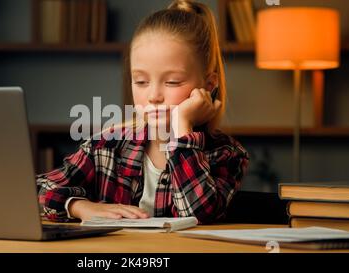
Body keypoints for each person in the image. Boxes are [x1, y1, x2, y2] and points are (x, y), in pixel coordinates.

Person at [36, 0, 250, 224]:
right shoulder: (106, 146)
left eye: (172, 82)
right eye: (141, 81)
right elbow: (39, 189)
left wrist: (183, 127)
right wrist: (79, 206)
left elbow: (199, 215)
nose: (153, 95)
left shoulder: (227, 154)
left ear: (208, 85)